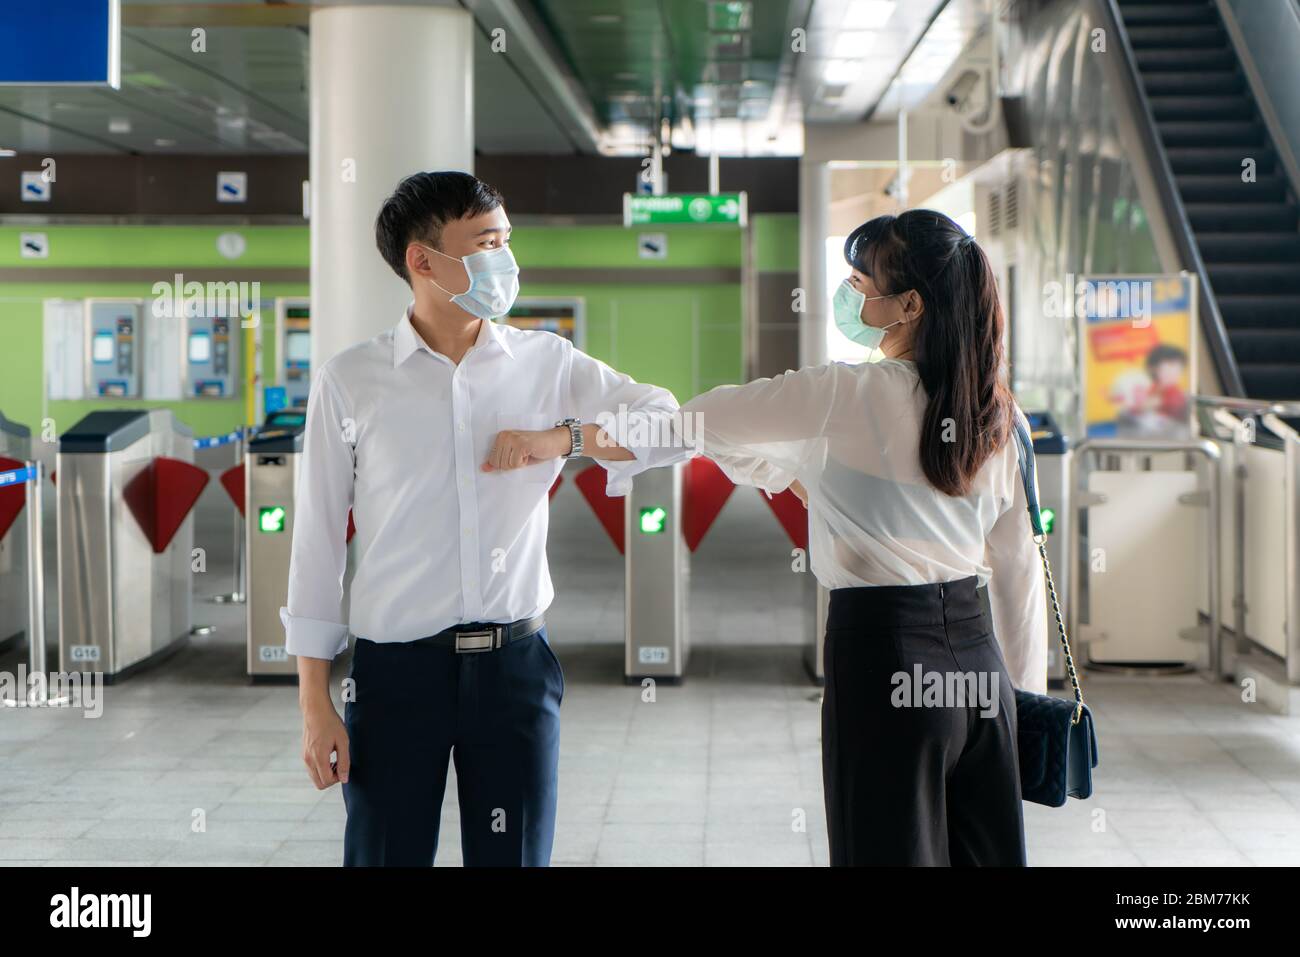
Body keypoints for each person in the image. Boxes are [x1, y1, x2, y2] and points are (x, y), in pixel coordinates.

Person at [282, 170, 682, 866]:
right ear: (423, 260)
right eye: (486, 241)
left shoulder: (545, 363)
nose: (505, 258)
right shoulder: (352, 380)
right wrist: (314, 703)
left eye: (506, 239)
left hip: (515, 671)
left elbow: (671, 423)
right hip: (395, 675)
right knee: (383, 855)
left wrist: (563, 439)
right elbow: (316, 542)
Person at [680, 209, 1047, 866]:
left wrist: (782, 469)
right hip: (981, 667)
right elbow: (1018, 566)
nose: (849, 296)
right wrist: (1022, 701)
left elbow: (699, 422)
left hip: (885, 659)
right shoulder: (1001, 411)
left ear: (907, 304)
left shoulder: (842, 394)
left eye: (859, 281)